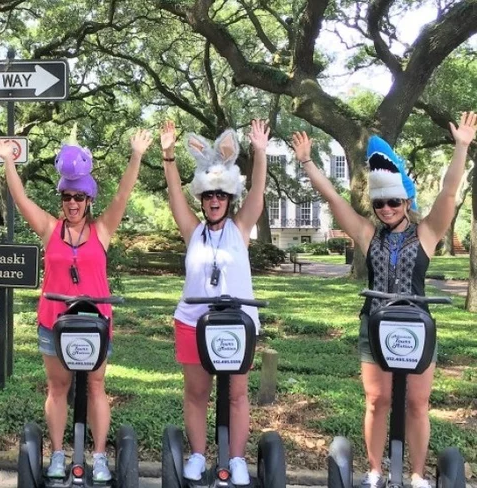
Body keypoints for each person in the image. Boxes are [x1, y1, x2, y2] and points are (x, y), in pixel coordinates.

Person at [290, 110, 476, 488]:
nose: (387, 209)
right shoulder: (366, 234)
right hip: (373, 327)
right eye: (380, 204)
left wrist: (461, 147)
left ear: (406, 199)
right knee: (378, 401)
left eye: (393, 201)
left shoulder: (426, 233)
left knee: (417, 404)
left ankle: (418, 476)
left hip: (417, 330)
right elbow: (331, 196)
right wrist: (307, 161)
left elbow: (448, 192)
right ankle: (375, 472)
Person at [0, 127, 153, 481]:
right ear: (61, 199)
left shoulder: (102, 230)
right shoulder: (50, 229)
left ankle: (96, 456)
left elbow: (124, 194)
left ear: (89, 199)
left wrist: (137, 155)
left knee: (95, 387)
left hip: (95, 323)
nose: (73, 203)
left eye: (79, 197)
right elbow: (20, 199)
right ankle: (60, 453)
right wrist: (8, 162)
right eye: (67, 197)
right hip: (54, 322)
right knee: (58, 387)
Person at [160, 119, 269, 484]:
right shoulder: (193, 231)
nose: (215, 201)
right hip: (193, 321)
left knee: (237, 394)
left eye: (221, 195)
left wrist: (260, 152)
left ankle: (236, 459)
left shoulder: (241, 229)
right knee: (196, 392)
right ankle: (196, 454)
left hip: (237, 324)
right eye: (209, 195)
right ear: (202, 199)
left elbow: (259, 193)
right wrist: (169, 156)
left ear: (229, 198)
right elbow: (174, 194)